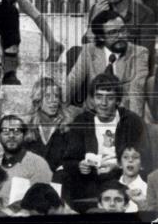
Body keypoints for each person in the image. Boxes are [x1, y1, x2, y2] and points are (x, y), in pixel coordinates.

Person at [58, 73, 151, 211]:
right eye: (99, 97)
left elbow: (145, 159)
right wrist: (80, 165)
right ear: (92, 99)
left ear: (118, 100)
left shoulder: (132, 121)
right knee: (63, 178)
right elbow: (69, 160)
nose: (103, 103)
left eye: (110, 98)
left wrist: (118, 165)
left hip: (122, 177)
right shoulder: (82, 122)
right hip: (90, 179)